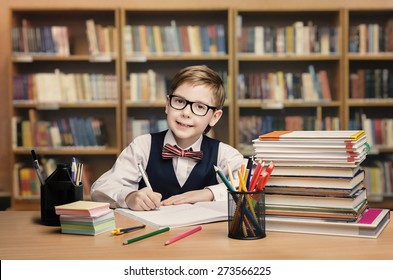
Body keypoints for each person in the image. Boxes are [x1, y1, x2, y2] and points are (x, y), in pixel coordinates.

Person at [91, 65, 244, 210]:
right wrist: (129, 197)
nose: (186, 113)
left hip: (205, 235)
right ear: (167, 104)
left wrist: (209, 193)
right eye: (179, 101)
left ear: (215, 117)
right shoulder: (143, 146)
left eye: (199, 107)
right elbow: (100, 189)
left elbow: (252, 185)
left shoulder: (225, 154)